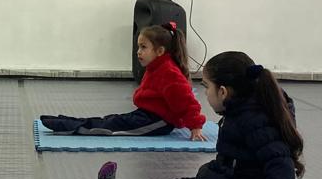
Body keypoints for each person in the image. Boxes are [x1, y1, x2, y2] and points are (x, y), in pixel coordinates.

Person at [96, 51, 303, 179]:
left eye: (206, 87)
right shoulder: (244, 108)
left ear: (223, 92)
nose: (205, 93)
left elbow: (280, 164)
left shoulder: (254, 120)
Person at [40, 22, 206, 140]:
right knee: (110, 120)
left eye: (143, 47)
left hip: (157, 122)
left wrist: (195, 127)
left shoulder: (169, 73)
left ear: (160, 51)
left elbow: (187, 102)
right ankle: (65, 121)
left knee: (110, 128)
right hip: (146, 116)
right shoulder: (157, 67)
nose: (138, 52)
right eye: (138, 47)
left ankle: (67, 126)